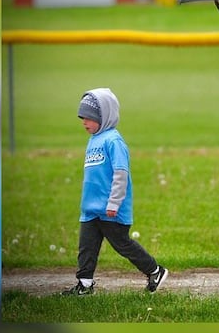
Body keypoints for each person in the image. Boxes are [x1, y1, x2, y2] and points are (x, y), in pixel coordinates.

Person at [62, 87, 168, 295]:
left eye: (89, 118)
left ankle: (155, 270)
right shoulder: (93, 140)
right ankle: (84, 284)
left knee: (122, 244)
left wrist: (114, 203)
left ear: (104, 116)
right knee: (87, 247)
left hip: (110, 209)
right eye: (82, 117)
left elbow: (121, 174)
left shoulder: (113, 141)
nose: (84, 122)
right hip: (91, 209)